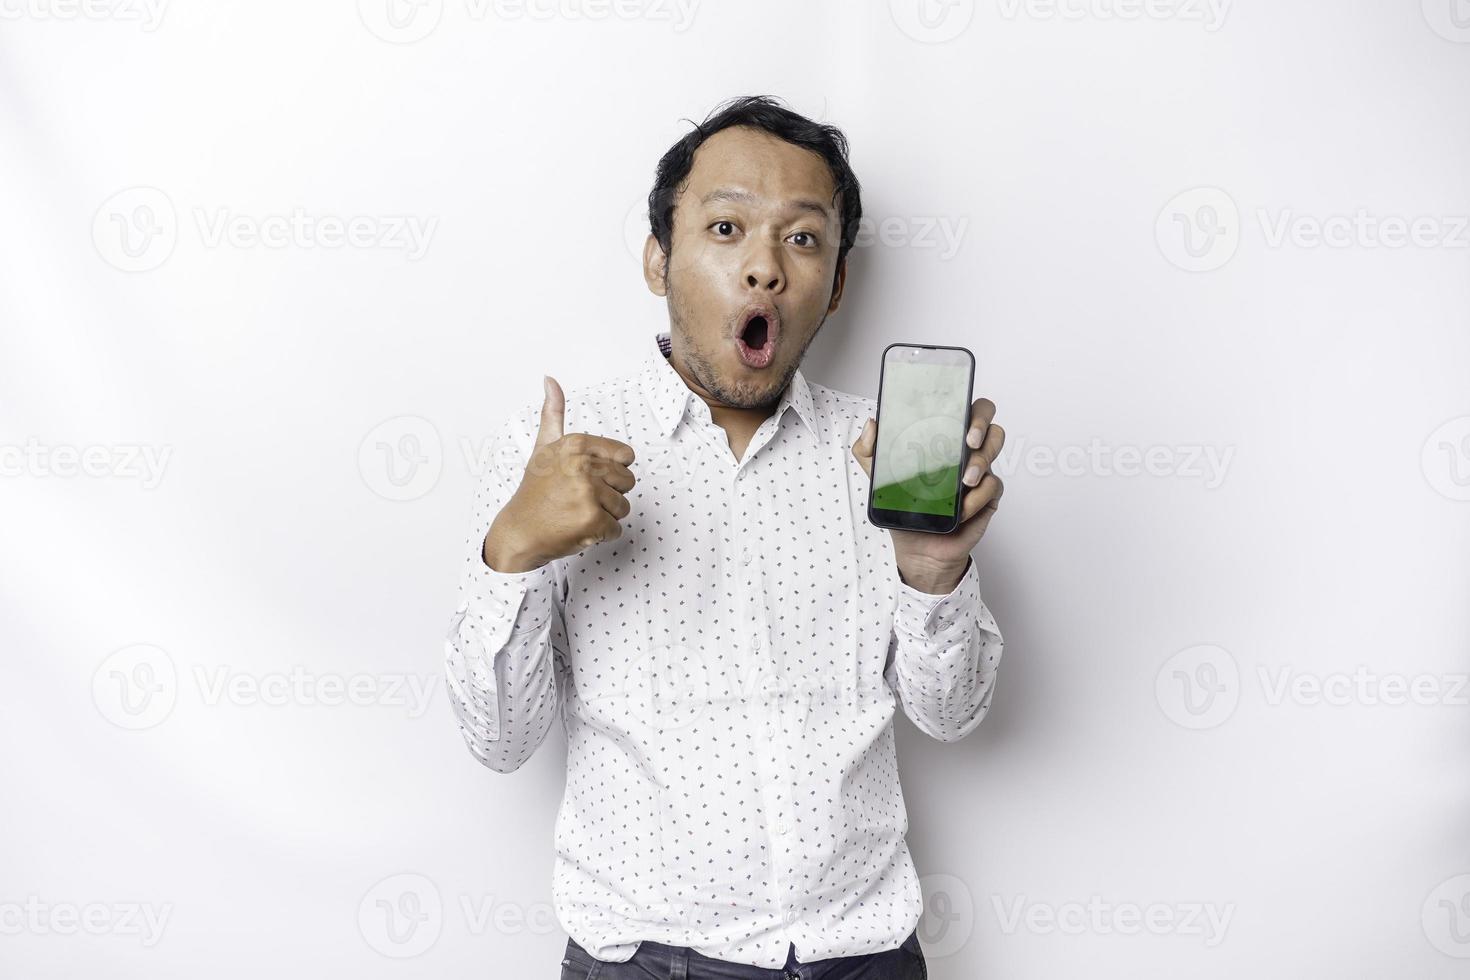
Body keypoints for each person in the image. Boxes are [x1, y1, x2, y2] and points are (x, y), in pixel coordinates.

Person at [444, 95, 1005, 980]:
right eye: (726, 227)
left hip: (863, 957)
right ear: (659, 258)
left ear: (839, 282)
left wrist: (935, 574)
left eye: (803, 238)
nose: (765, 270)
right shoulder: (558, 451)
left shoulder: (879, 456)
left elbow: (954, 714)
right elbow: (500, 740)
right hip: (647, 964)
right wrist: (511, 550)